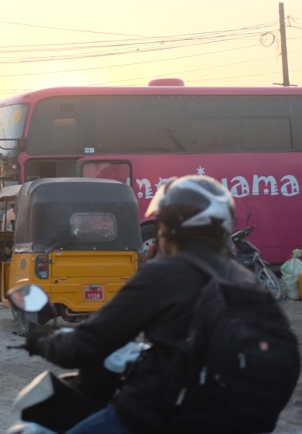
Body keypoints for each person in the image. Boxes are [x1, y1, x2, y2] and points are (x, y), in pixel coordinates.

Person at [24, 175, 256, 433]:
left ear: (171, 228)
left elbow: (90, 342)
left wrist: (44, 342)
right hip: (235, 414)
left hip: (164, 411)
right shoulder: (245, 279)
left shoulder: (165, 274)